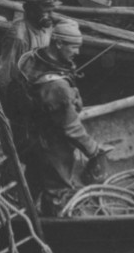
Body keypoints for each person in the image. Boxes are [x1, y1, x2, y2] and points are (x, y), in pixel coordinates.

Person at [15, 19, 110, 215]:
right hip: (52, 145)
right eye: (73, 47)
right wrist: (93, 150)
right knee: (58, 189)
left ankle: (22, 215)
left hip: (31, 136)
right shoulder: (57, 87)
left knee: (33, 180)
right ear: (58, 43)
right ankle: (55, 225)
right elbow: (71, 128)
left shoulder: (33, 60)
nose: (77, 52)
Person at [0, 0, 59, 96]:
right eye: (46, 12)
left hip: (39, 85)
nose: (51, 16)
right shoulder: (19, 35)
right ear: (31, 11)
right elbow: (4, 73)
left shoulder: (46, 28)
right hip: (23, 91)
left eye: (52, 11)